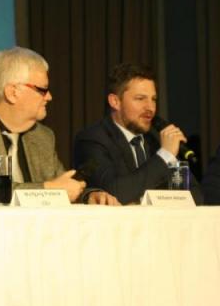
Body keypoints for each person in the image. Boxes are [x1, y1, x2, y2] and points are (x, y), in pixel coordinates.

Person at [0, 47, 119, 206]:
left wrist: (89, 196)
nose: (49, 97)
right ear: (12, 92)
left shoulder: (42, 136)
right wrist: (48, 189)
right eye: (42, 90)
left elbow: (64, 184)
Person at [73, 63, 199, 204]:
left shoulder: (156, 139)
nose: (150, 107)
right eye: (140, 99)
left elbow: (196, 195)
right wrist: (164, 156)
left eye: (153, 99)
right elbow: (113, 192)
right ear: (115, 101)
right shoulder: (92, 140)